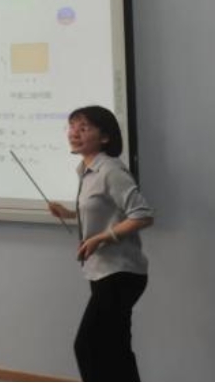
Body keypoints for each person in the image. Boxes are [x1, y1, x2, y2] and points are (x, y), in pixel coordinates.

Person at [48, 106, 154, 382]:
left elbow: (142, 215)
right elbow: (104, 211)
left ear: (104, 137)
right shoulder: (86, 169)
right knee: (116, 349)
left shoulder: (110, 170)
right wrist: (68, 214)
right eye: (72, 126)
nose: (74, 133)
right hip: (101, 271)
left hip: (120, 273)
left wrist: (101, 238)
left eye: (83, 128)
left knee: (87, 346)